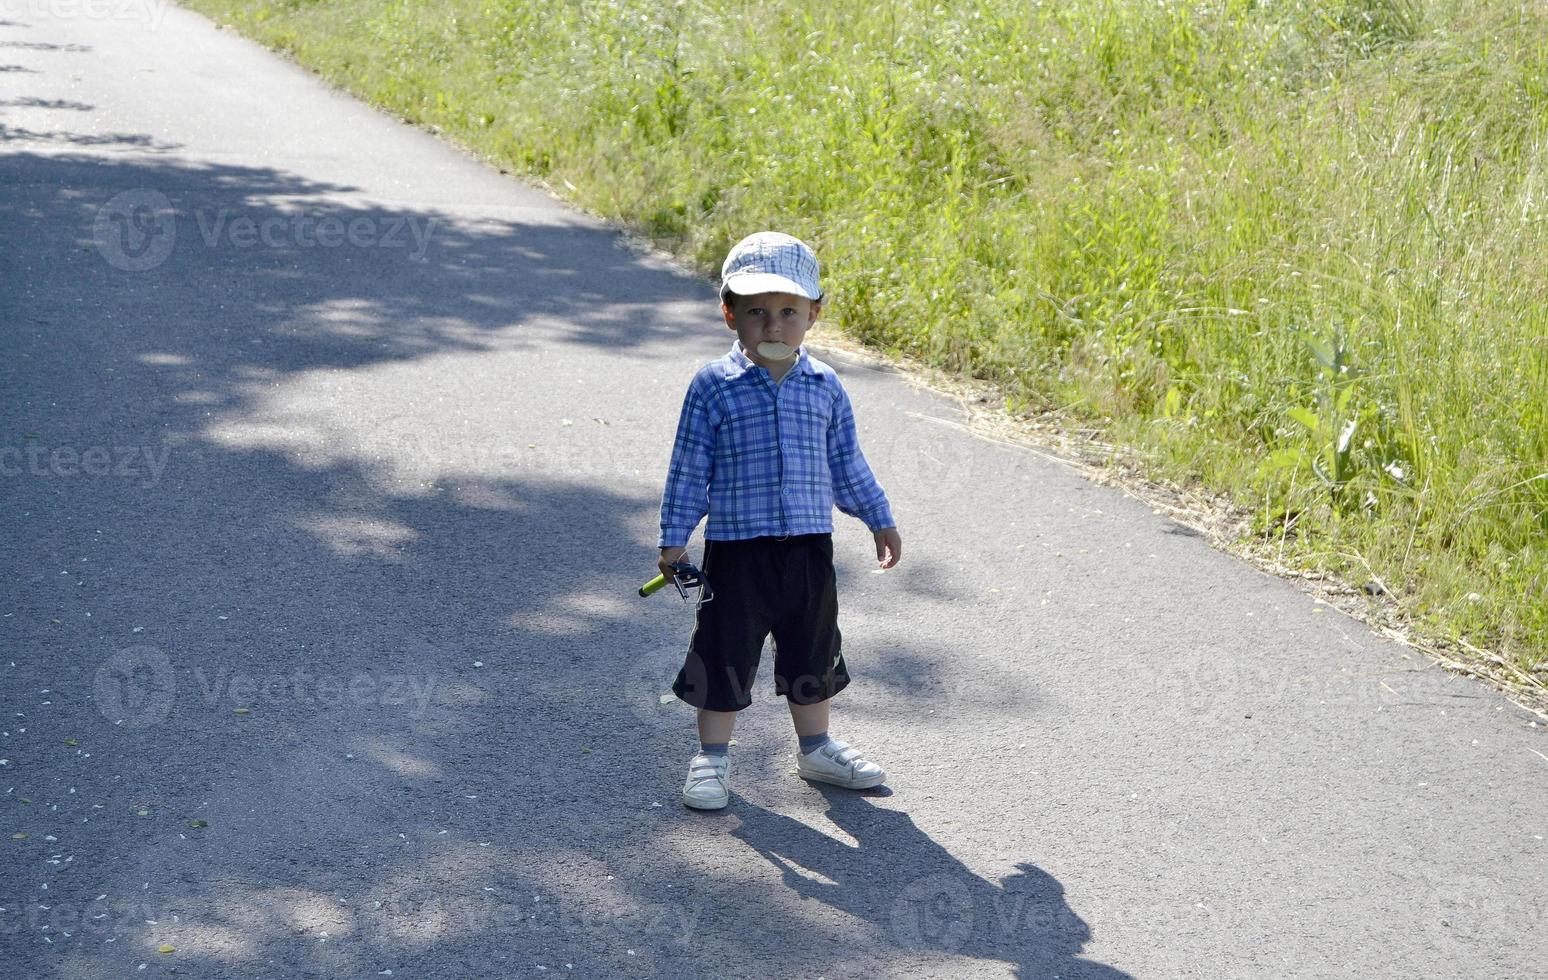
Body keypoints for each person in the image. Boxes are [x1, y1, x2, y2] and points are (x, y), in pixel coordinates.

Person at [657, 231, 903, 810]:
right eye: (757, 312)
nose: (773, 325)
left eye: (789, 311)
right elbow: (689, 469)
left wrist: (878, 517)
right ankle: (712, 760)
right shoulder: (713, 387)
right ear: (729, 314)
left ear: (814, 315)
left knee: (812, 650)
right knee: (724, 652)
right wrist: (674, 542)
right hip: (738, 553)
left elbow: (847, 463)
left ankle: (815, 749)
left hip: (809, 550)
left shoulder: (825, 386)